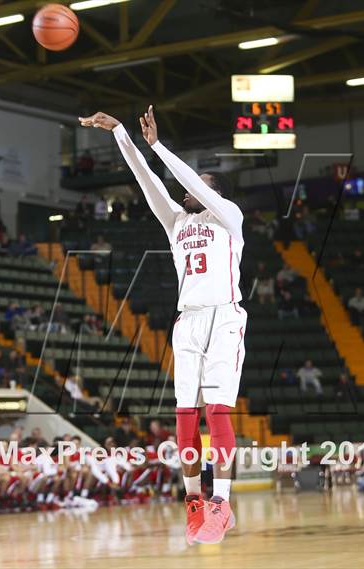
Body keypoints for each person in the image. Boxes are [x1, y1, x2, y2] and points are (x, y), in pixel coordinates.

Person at [79, 105, 247, 545]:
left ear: (215, 194)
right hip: (187, 320)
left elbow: (187, 181)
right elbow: (148, 182)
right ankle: (194, 502)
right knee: (186, 415)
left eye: (198, 188)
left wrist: (159, 146)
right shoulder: (178, 224)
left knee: (217, 411)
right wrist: (120, 134)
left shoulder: (230, 218)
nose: (186, 192)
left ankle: (222, 503)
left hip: (224, 316)